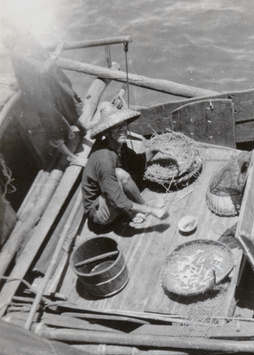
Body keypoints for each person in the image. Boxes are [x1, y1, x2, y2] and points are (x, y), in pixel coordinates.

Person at [1, 26, 87, 166]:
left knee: (67, 106)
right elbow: (42, 69)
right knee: (53, 125)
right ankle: (71, 156)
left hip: (45, 87)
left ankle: (84, 128)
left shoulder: (21, 47)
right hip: (37, 94)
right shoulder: (18, 52)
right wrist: (57, 52)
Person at [81, 103, 173, 226]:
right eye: (116, 127)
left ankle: (142, 206)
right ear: (107, 133)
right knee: (120, 174)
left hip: (111, 194)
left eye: (123, 125)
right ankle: (134, 212)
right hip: (100, 213)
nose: (122, 130)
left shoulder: (119, 145)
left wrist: (155, 149)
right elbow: (118, 201)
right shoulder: (104, 160)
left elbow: (136, 162)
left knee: (122, 173)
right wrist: (152, 211)